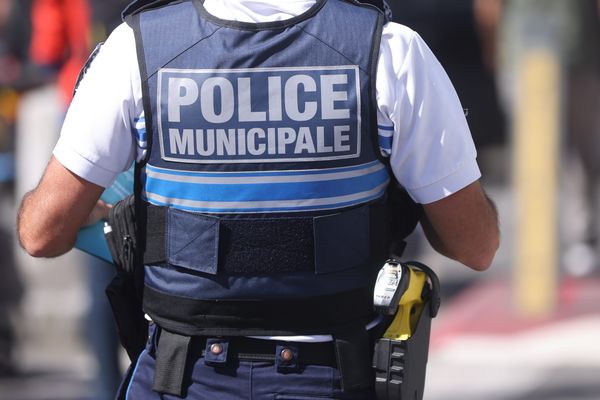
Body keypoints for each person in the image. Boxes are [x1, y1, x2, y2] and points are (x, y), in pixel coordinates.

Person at [17, 0, 500, 398]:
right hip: (333, 376)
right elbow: (474, 246)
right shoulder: (389, 51)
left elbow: (41, 234)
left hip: (181, 377)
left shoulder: (137, 49)